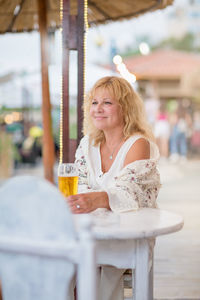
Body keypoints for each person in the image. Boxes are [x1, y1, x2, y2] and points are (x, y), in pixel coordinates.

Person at [66, 76, 161, 300]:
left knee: (94, 261)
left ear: (125, 108)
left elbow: (128, 192)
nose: (98, 109)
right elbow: (79, 185)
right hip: (91, 227)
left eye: (107, 103)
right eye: (94, 102)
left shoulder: (138, 144)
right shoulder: (87, 143)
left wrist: (95, 199)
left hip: (128, 231)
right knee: (60, 257)